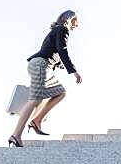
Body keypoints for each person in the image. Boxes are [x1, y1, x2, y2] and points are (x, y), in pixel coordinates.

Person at [8, 10, 82, 147]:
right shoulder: (62, 29)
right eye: (75, 22)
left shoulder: (57, 30)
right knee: (34, 99)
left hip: (42, 65)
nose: (76, 26)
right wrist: (73, 71)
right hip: (41, 65)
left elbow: (54, 53)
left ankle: (37, 120)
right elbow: (62, 50)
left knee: (60, 92)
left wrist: (59, 64)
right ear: (69, 19)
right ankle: (16, 135)